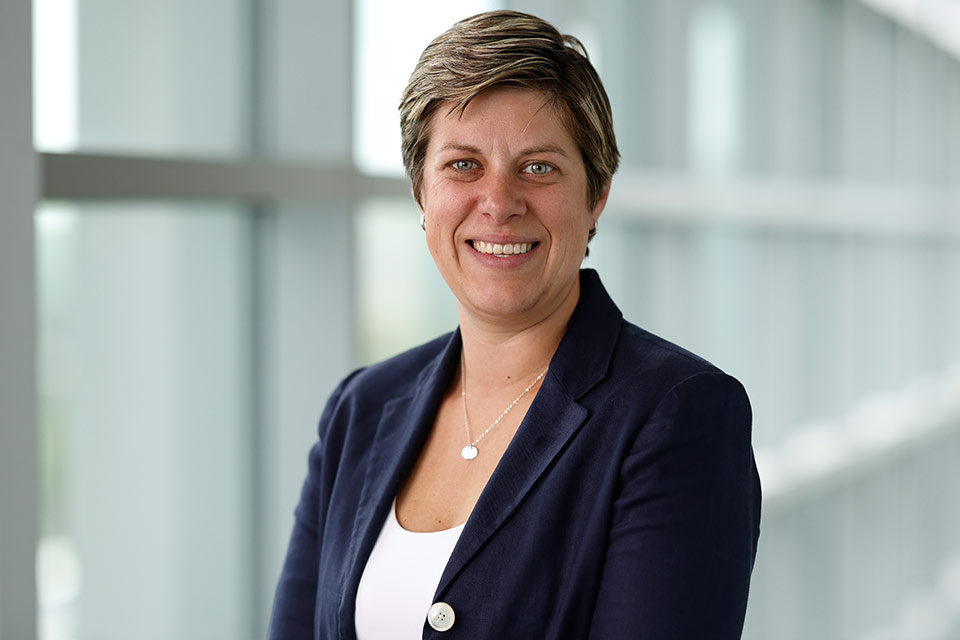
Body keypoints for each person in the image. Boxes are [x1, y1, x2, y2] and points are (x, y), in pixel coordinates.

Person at [268, 10, 760, 639]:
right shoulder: (360, 409)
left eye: (538, 167)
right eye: (463, 165)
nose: (499, 202)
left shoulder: (678, 414)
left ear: (597, 194)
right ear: (421, 191)